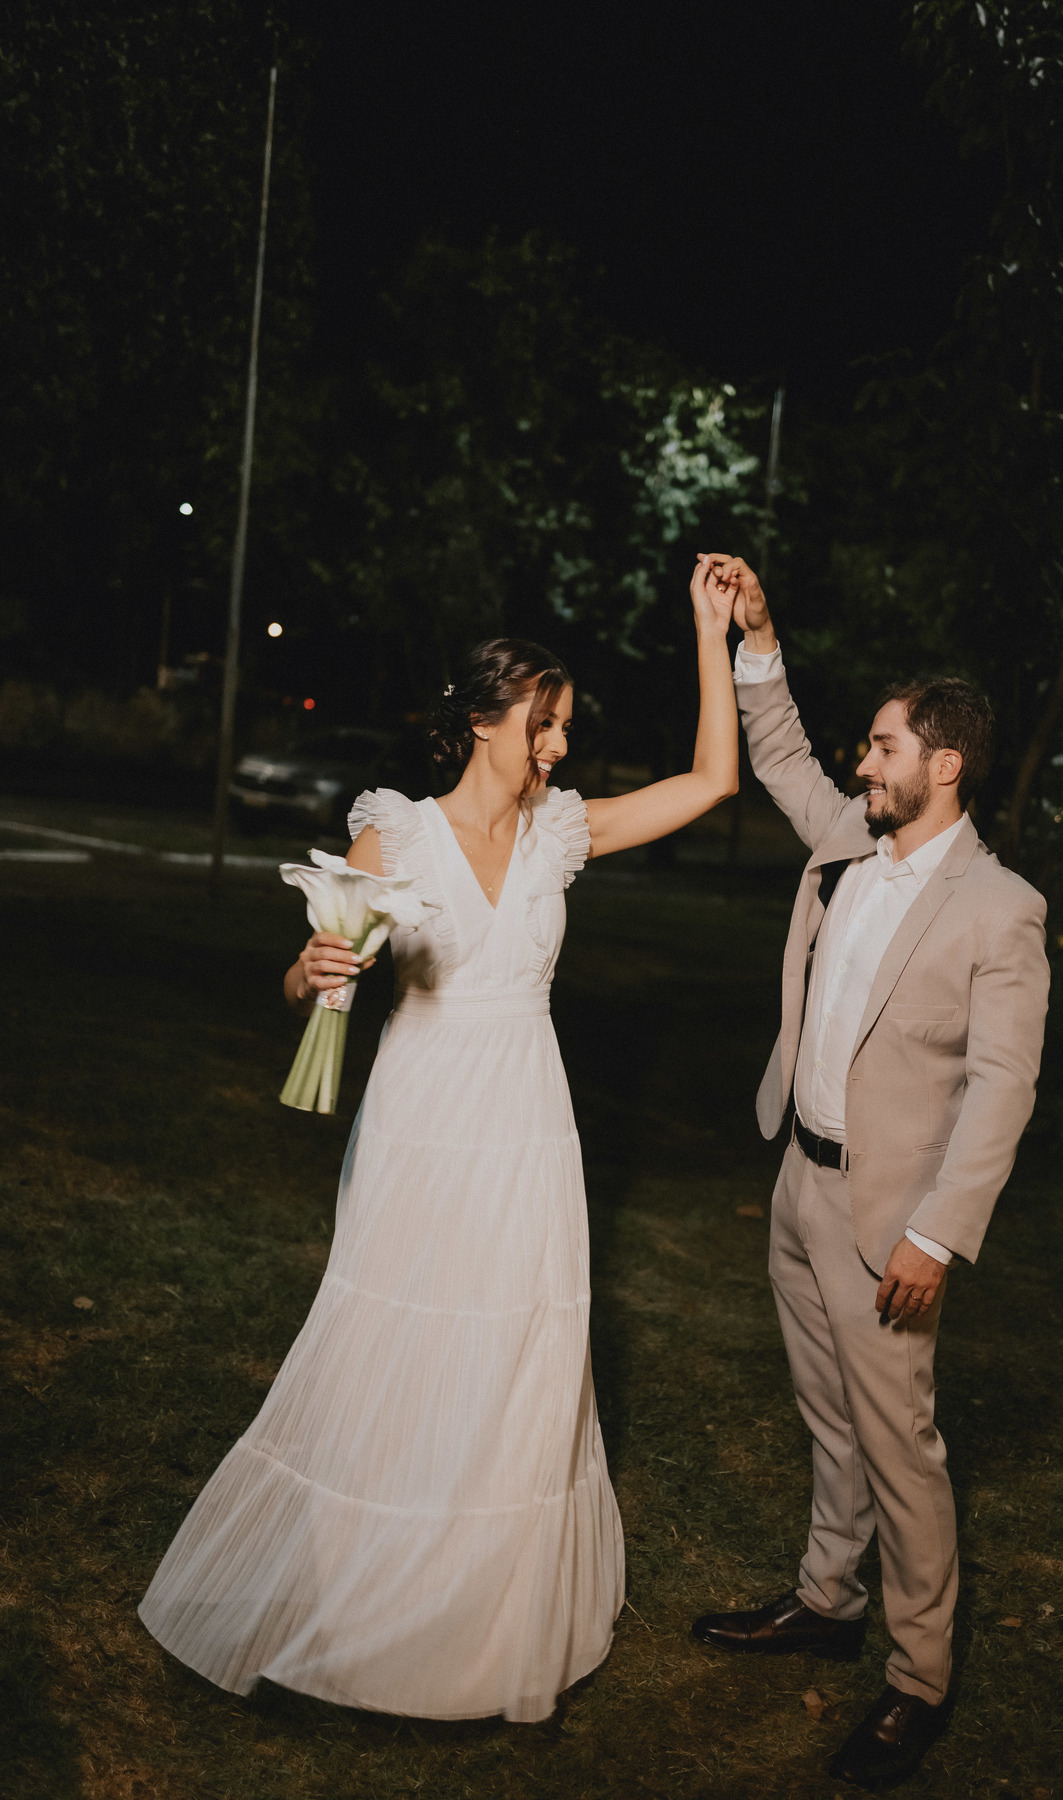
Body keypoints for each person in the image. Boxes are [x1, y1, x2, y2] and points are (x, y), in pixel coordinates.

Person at [139, 557, 738, 1724]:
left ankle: (478, 1616)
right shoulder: (393, 835)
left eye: (566, 726)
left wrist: (709, 633)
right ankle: (359, 1599)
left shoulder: (563, 834)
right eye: (545, 723)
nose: (558, 745)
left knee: (515, 1349)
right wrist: (311, 972)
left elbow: (714, 780)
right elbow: (316, 985)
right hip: (420, 1122)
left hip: (527, 1123)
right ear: (484, 720)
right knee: (398, 1339)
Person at [690, 555, 1050, 1789]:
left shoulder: (1001, 909)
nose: (862, 763)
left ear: (943, 765)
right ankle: (826, 1600)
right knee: (828, 1416)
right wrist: (757, 636)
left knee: (901, 1446)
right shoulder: (850, 841)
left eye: (884, 747)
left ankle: (919, 1682)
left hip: (890, 1216)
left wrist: (935, 1236)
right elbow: (781, 750)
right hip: (800, 1179)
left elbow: (1003, 1087)